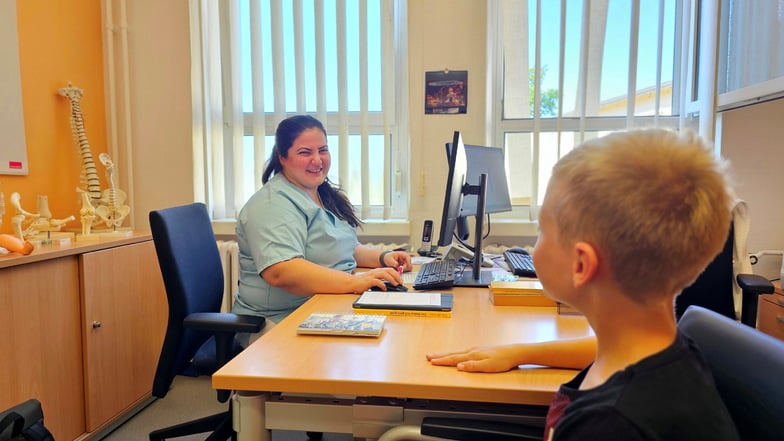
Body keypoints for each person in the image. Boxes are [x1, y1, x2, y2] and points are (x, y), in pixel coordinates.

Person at [428, 128, 741, 440]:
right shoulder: (659, 346)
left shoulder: (610, 426)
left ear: (581, 265)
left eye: (542, 230)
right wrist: (518, 353)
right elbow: (597, 349)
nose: (535, 244)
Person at [232, 115, 411, 341]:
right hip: (276, 322)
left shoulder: (320, 193)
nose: (317, 160)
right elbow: (281, 271)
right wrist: (355, 283)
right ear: (282, 157)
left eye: (323, 150)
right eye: (305, 152)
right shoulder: (272, 205)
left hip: (322, 307)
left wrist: (384, 257)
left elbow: (345, 247)